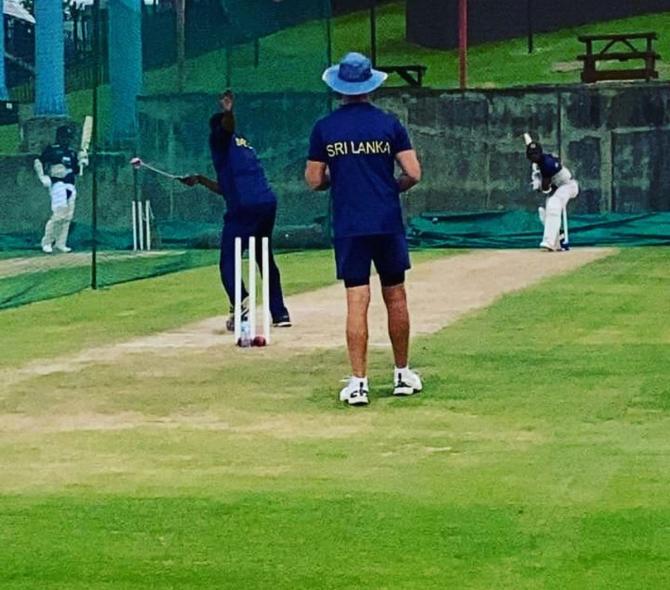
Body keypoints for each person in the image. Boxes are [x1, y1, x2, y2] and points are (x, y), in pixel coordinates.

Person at [305, 52, 423, 407]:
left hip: (350, 223)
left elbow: (314, 180)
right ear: (370, 85)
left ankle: (358, 383)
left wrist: (335, 179)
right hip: (386, 220)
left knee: (357, 300)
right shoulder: (389, 124)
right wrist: (389, 189)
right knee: (396, 296)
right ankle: (402, 374)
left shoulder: (325, 128)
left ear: (340, 87)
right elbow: (413, 173)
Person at [180, 90, 291, 330]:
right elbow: (226, 188)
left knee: (228, 260)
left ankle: (240, 300)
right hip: (266, 203)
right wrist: (199, 179)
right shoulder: (244, 146)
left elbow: (226, 127)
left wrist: (228, 112)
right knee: (264, 257)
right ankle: (280, 314)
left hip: (244, 207)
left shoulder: (221, 138)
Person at [34, 125, 86, 254]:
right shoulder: (52, 150)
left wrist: (82, 161)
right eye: (64, 137)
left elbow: (77, 171)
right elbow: (38, 161)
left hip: (70, 185)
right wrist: (42, 176)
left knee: (68, 216)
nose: (66, 140)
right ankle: (47, 242)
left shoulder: (72, 152)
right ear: (59, 137)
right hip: (57, 184)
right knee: (59, 214)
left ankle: (60, 243)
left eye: (68, 137)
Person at [526, 141, 579, 251]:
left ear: (540, 153)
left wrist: (542, 187)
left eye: (535, 154)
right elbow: (543, 186)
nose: (533, 156)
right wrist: (538, 184)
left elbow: (546, 188)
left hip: (568, 185)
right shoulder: (536, 165)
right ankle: (557, 240)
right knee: (544, 212)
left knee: (554, 204)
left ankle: (548, 242)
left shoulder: (547, 163)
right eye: (531, 154)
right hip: (556, 189)